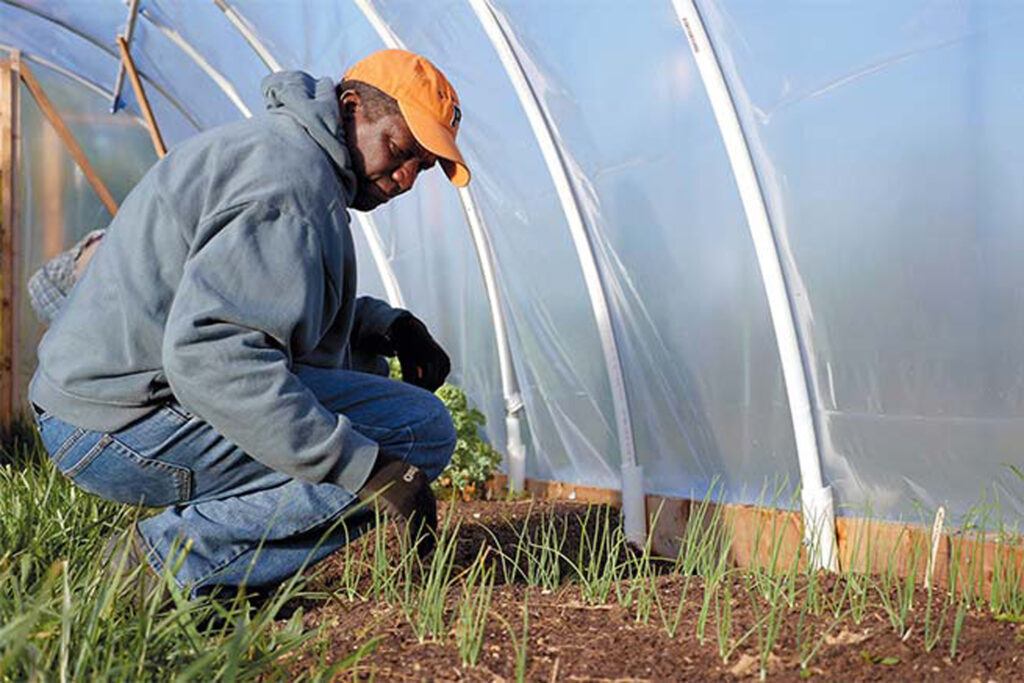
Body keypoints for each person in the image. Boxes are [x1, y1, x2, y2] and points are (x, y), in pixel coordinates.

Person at [28, 49, 469, 597]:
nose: (405, 179)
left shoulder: (287, 156)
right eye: (400, 150)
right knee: (415, 431)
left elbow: (267, 299)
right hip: (121, 429)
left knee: (377, 390)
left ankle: (206, 554)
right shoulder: (291, 188)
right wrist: (365, 469)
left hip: (97, 407)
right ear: (351, 107)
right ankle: (158, 568)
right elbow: (214, 357)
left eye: (422, 168)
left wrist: (386, 326)